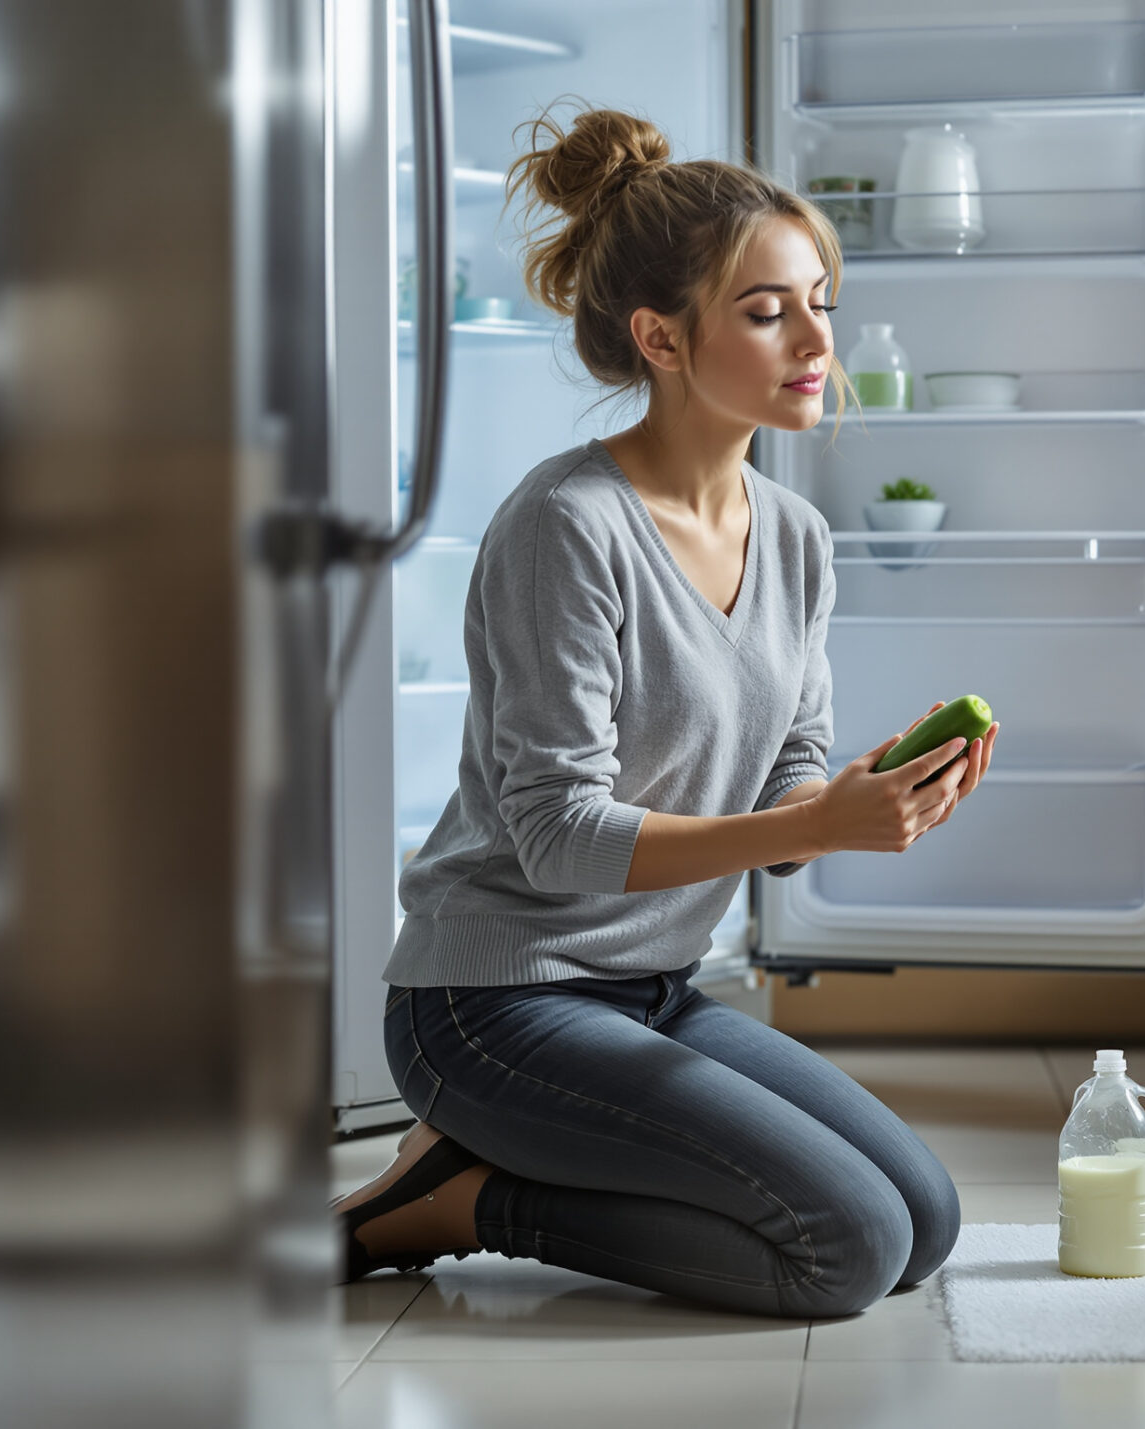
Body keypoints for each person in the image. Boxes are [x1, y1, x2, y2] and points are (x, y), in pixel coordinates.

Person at [330, 104, 995, 1320]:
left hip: (653, 987)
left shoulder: (793, 535)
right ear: (662, 338)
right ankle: (459, 1203)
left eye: (820, 302)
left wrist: (862, 799)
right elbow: (556, 837)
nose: (817, 339)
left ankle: (483, 1172)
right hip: (490, 1003)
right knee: (845, 1248)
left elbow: (791, 764)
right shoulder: (567, 526)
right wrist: (813, 827)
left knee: (924, 1223)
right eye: (768, 310)